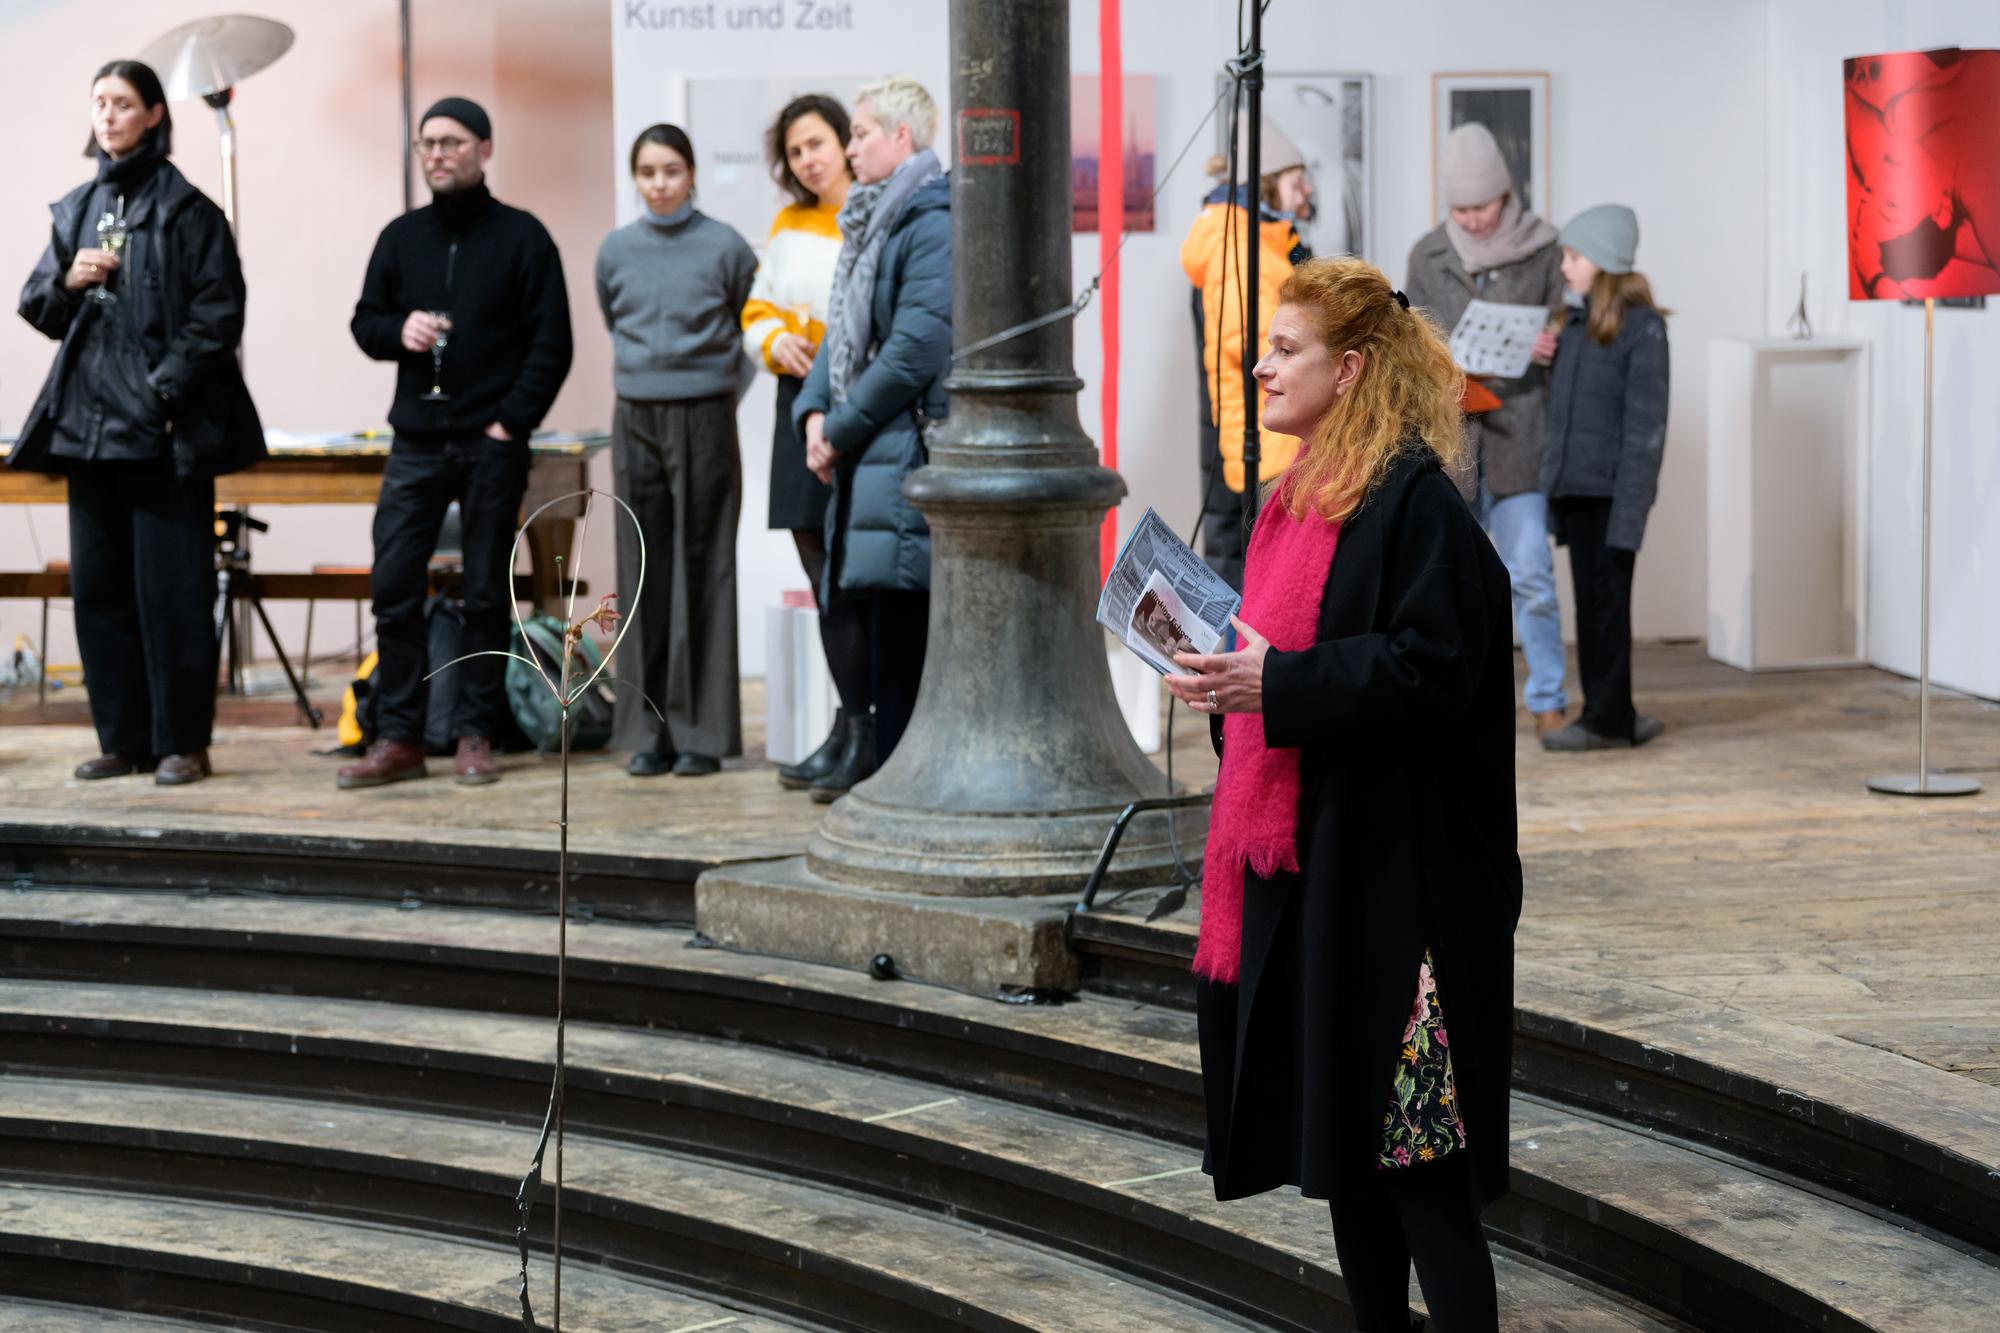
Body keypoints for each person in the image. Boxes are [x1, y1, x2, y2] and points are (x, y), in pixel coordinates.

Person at [1167, 256, 1519, 1332]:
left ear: (1351, 369)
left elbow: (1432, 670)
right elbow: (1289, 659)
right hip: (1323, 877)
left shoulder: (1414, 500)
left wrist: (1272, 684)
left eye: (1285, 349)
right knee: (1348, 1166)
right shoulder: (1299, 495)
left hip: (1402, 899)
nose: (1259, 366)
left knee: (1420, 1171)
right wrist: (1230, 683)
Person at [10, 59, 265, 787]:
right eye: (99, 102)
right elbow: (37, 304)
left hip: (162, 434)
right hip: (86, 433)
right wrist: (69, 280)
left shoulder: (189, 211)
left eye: (122, 103)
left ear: (155, 113)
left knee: (174, 596)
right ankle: (122, 740)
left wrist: (160, 392)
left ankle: (182, 741)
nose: (107, 115)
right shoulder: (75, 208)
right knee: (99, 594)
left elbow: (219, 317)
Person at [340, 97, 573, 789]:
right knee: (393, 586)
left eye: (452, 142)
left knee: (485, 592)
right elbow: (365, 322)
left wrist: (510, 423)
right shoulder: (400, 236)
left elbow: (553, 343)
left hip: (490, 443)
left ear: (484, 149)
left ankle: (476, 731)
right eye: (427, 144)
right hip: (415, 440)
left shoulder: (523, 237)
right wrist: (398, 331)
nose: (437, 154)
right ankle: (399, 736)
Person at [793, 75, 948, 801]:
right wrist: (813, 412)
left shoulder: (931, 220)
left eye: (859, 133)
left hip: (900, 451)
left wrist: (839, 428)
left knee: (902, 628)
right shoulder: (874, 216)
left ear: (901, 137)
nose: (850, 148)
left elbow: (915, 349)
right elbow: (842, 330)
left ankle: (894, 790)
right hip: (870, 451)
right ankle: (876, 769)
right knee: (878, 615)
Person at [597, 124, 757, 778]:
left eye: (670, 170)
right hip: (635, 414)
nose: (659, 184)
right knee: (641, 567)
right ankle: (648, 730)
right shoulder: (616, 249)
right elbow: (614, 319)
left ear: (691, 174)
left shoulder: (726, 245)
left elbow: (749, 328)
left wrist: (713, 393)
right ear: (635, 178)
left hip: (704, 416)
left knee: (704, 562)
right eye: (647, 172)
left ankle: (702, 734)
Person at [1404, 122, 1570, 738]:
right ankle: (1460, 704)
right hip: (1452, 446)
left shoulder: (1545, 248)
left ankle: (1548, 700)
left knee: (1532, 577)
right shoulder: (1428, 255)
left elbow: (1568, 324)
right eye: (1461, 209)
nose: (1474, 220)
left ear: (1506, 194)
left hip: (1522, 439)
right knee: (1449, 584)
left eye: (1484, 206)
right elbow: (1412, 341)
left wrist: (1552, 339)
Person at [740, 93, 864, 791]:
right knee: (819, 573)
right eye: (794, 152)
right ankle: (849, 722)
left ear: (845, 140)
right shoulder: (788, 223)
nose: (807, 160)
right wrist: (771, 339)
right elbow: (756, 307)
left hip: (855, 404)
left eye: (816, 143)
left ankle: (867, 726)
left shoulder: (872, 212)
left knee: (856, 575)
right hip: (796, 402)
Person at [1540, 205, 1670, 753]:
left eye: (1574, 257)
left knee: (1606, 609)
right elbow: (1566, 413)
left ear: (1604, 260)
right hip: (1576, 492)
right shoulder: (1574, 325)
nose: (1564, 267)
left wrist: (1630, 515)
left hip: (1610, 498)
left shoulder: (1642, 328)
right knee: (1594, 610)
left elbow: (1646, 432)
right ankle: (1619, 711)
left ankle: (1606, 722)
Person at [1182, 116, 1313, 589]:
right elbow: (1259, 348)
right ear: (1270, 183)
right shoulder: (1239, 244)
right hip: (1262, 437)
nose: (1305, 193)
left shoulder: (1259, 239)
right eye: (1296, 182)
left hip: (1259, 433)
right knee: (1250, 570)